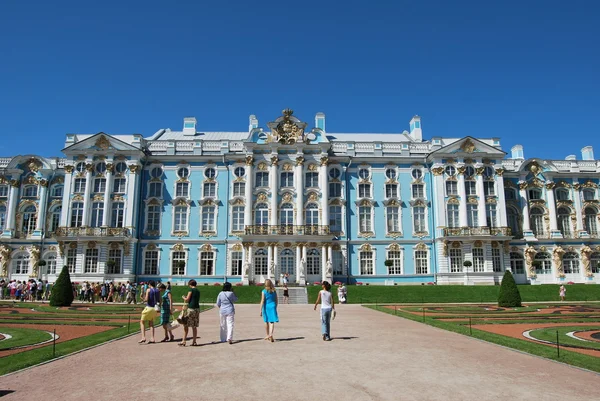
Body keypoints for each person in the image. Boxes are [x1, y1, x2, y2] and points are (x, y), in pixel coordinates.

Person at [180, 279, 200, 347]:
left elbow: (187, 299)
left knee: (186, 325)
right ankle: (194, 341)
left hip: (191, 308)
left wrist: (183, 297)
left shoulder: (191, 290)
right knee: (194, 326)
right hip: (197, 309)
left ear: (190, 284)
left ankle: (184, 341)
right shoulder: (198, 291)